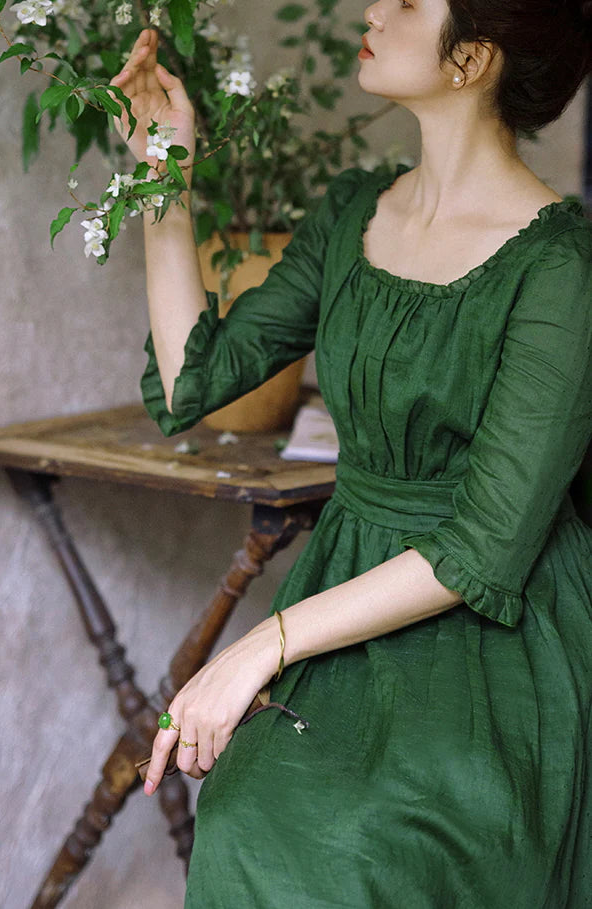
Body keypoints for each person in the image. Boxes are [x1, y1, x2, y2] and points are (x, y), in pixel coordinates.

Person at [111, 0, 592, 904]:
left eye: (409, 2)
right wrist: (162, 172)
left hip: (494, 640)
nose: (374, 8)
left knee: (357, 846)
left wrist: (262, 643)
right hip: (349, 595)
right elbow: (192, 384)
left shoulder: (563, 268)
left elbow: (486, 546)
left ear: (472, 59)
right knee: (251, 818)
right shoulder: (351, 211)